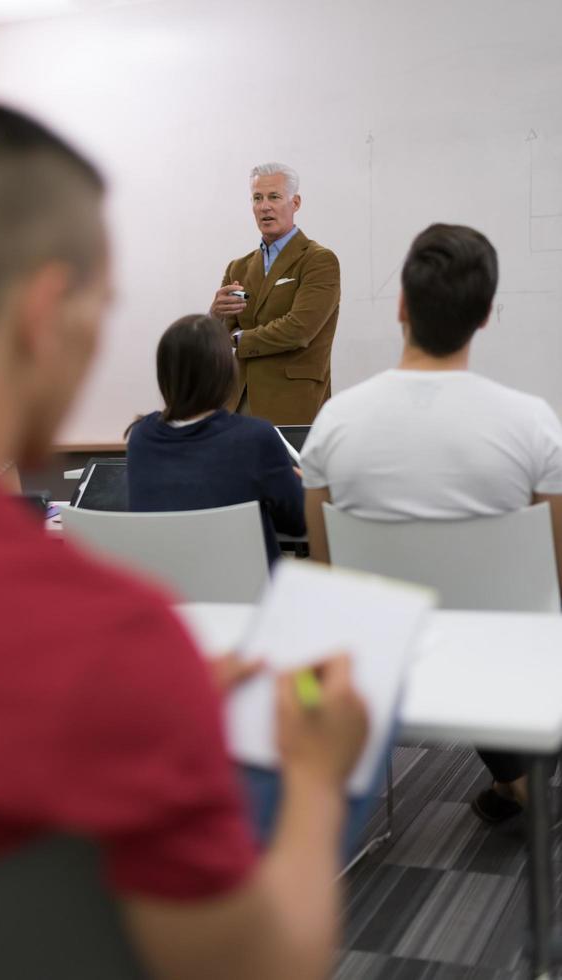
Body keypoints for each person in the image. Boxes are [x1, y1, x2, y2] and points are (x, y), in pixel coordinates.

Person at [0, 103, 369, 980]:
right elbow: (261, 964)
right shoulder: (112, 641)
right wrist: (316, 777)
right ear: (46, 316)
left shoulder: (108, 640)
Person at [300, 222, 562, 824]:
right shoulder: (533, 423)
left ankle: (510, 779)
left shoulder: (335, 423)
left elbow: (324, 574)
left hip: (376, 660)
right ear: (486, 315)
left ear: (400, 306)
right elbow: (551, 576)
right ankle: (521, 771)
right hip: (502, 664)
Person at [126, 314, 305, 565]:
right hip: (252, 597)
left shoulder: (141, 436)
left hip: (169, 596)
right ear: (226, 371)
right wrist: (298, 483)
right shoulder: (256, 438)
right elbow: (298, 522)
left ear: (164, 373)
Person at [210, 162, 340, 425]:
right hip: (237, 402)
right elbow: (219, 339)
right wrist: (214, 315)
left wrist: (239, 340)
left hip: (292, 403)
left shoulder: (318, 261)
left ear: (295, 203)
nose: (264, 206)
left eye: (274, 197)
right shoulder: (239, 267)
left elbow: (299, 330)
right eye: (257, 198)